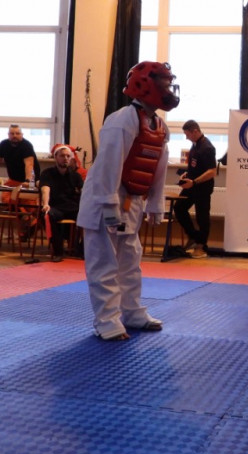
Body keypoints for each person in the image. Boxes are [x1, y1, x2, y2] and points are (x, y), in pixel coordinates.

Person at [77, 61, 179, 341]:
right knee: (105, 263)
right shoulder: (122, 119)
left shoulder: (159, 126)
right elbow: (108, 165)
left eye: (170, 84)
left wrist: (156, 203)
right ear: (146, 86)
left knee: (131, 261)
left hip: (132, 200)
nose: (169, 90)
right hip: (105, 200)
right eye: (165, 84)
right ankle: (107, 321)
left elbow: (158, 168)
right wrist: (109, 203)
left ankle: (132, 312)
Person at [173, 120, 217, 259]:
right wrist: (187, 174)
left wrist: (194, 182)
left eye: (187, 134)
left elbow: (212, 171)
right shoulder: (195, 145)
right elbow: (196, 166)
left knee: (202, 216)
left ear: (195, 131)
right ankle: (193, 236)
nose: (186, 137)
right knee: (179, 208)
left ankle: (201, 246)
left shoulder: (207, 148)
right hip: (191, 184)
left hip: (202, 187)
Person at [39, 145, 84, 262]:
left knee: (90, 215)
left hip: (72, 208)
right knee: (47, 215)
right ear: (56, 157)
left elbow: (84, 192)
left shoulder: (76, 176)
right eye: (62, 156)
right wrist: (46, 204)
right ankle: (58, 252)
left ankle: (81, 250)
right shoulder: (47, 173)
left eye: (68, 156)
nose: (65, 158)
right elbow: (45, 190)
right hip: (55, 207)